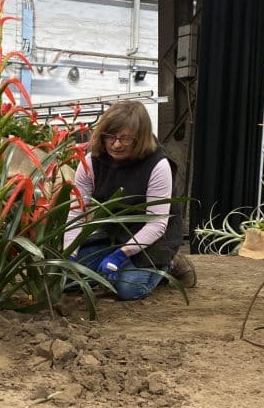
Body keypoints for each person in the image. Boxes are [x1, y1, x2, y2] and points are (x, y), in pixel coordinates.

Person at [62, 99, 196, 300]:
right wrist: (70, 254)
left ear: (140, 138)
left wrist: (121, 255)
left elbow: (157, 223)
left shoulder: (158, 165)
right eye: (110, 137)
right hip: (113, 233)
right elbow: (77, 210)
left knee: (128, 288)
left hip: (154, 237)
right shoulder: (91, 161)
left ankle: (169, 263)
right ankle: (115, 261)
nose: (116, 144)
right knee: (70, 281)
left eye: (125, 139)